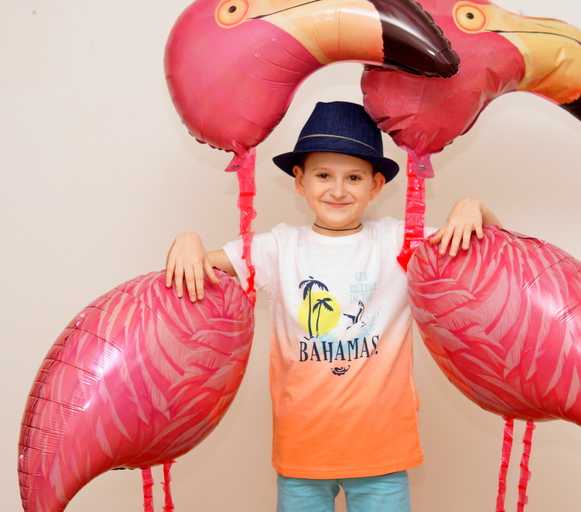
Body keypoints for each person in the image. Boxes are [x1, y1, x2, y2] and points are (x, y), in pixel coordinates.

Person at [165, 101, 501, 512]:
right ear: (299, 180)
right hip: (302, 450)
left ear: (375, 185)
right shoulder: (277, 248)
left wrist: (474, 207)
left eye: (353, 177)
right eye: (323, 175)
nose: (338, 191)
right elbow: (198, 265)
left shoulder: (401, 243)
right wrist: (186, 240)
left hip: (382, 450)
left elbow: (496, 250)